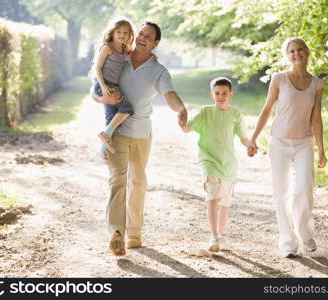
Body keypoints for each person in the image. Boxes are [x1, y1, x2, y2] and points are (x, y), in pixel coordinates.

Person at [91, 22, 188, 256]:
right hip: (118, 131)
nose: (143, 38)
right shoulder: (119, 57)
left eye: (149, 37)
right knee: (117, 180)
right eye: (141, 33)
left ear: (156, 43)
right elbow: (95, 90)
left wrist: (181, 110)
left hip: (142, 134)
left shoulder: (159, 70)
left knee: (138, 183)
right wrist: (105, 100)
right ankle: (116, 233)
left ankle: (134, 233)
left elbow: (170, 95)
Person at [249, 37, 326, 258]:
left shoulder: (317, 84)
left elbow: (316, 118)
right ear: (287, 55)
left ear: (307, 52)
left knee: (304, 189)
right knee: (280, 192)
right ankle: (287, 241)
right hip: (279, 143)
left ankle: (304, 232)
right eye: (291, 51)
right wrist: (254, 137)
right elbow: (266, 110)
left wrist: (321, 148)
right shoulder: (279, 79)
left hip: (304, 143)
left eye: (300, 49)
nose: (296, 54)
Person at [179, 77, 255, 252]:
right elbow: (188, 128)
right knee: (213, 197)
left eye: (224, 93)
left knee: (225, 203)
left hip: (228, 164)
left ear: (231, 94)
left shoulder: (235, 114)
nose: (221, 96)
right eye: (217, 93)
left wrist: (250, 145)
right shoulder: (205, 112)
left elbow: (243, 137)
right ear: (211, 94)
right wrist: (182, 123)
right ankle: (213, 237)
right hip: (208, 161)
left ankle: (220, 236)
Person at [90, 18, 135, 158]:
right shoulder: (107, 48)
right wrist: (103, 87)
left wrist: (152, 56)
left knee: (110, 118)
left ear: (129, 35)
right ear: (112, 33)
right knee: (127, 108)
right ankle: (106, 133)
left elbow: (136, 55)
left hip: (113, 85)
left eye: (125, 33)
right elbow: (97, 68)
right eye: (119, 32)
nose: (122, 35)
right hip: (102, 84)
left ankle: (102, 152)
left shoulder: (125, 48)